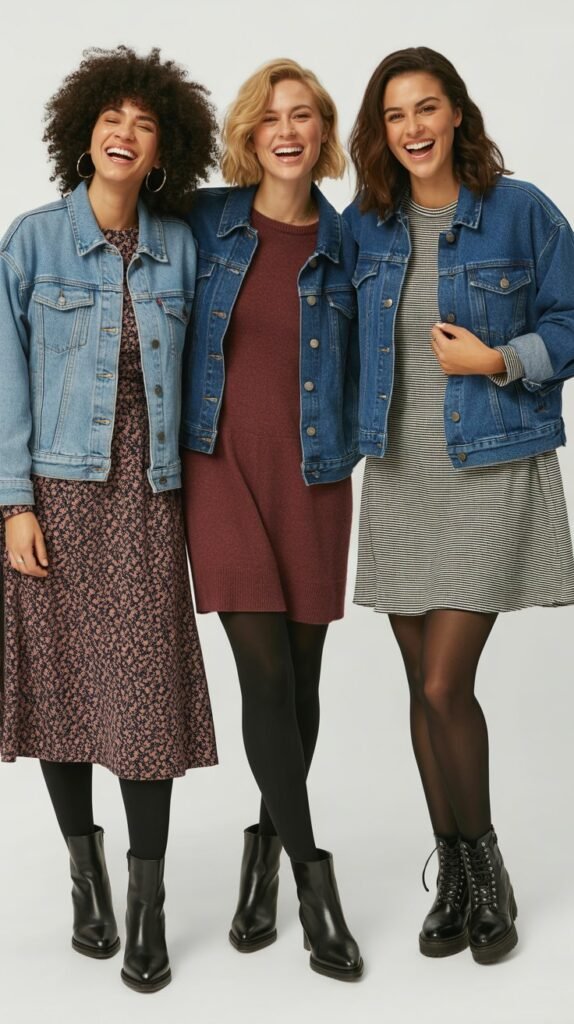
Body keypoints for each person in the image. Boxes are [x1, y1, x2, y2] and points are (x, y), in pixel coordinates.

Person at [345, 46, 574, 965]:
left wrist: (498, 360)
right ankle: (455, 873)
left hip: (488, 465)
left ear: (456, 114)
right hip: (400, 471)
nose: (413, 129)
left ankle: (490, 877)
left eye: (427, 108)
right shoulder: (367, 225)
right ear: (382, 131)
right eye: (396, 115)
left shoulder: (518, 210)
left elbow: (570, 318)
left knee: (446, 683)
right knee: (421, 689)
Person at [0, 46, 219, 993]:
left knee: (143, 703)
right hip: (53, 496)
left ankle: (147, 903)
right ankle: (86, 880)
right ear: (83, 134)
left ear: (164, 147)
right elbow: (2, 376)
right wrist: (11, 502)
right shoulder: (33, 241)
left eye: (144, 122)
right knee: (58, 694)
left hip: (146, 498)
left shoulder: (183, 244)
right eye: (111, 119)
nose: (125, 133)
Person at [180, 59, 363, 981]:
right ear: (248, 136)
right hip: (216, 467)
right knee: (261, 674)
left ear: (323, 133)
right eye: (268, 120)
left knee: (299, 681)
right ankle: (312, 879)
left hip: (316, 477)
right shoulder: (207, 220)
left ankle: (261, 856)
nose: (285, 132)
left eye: (303, 118)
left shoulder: (354, 240)